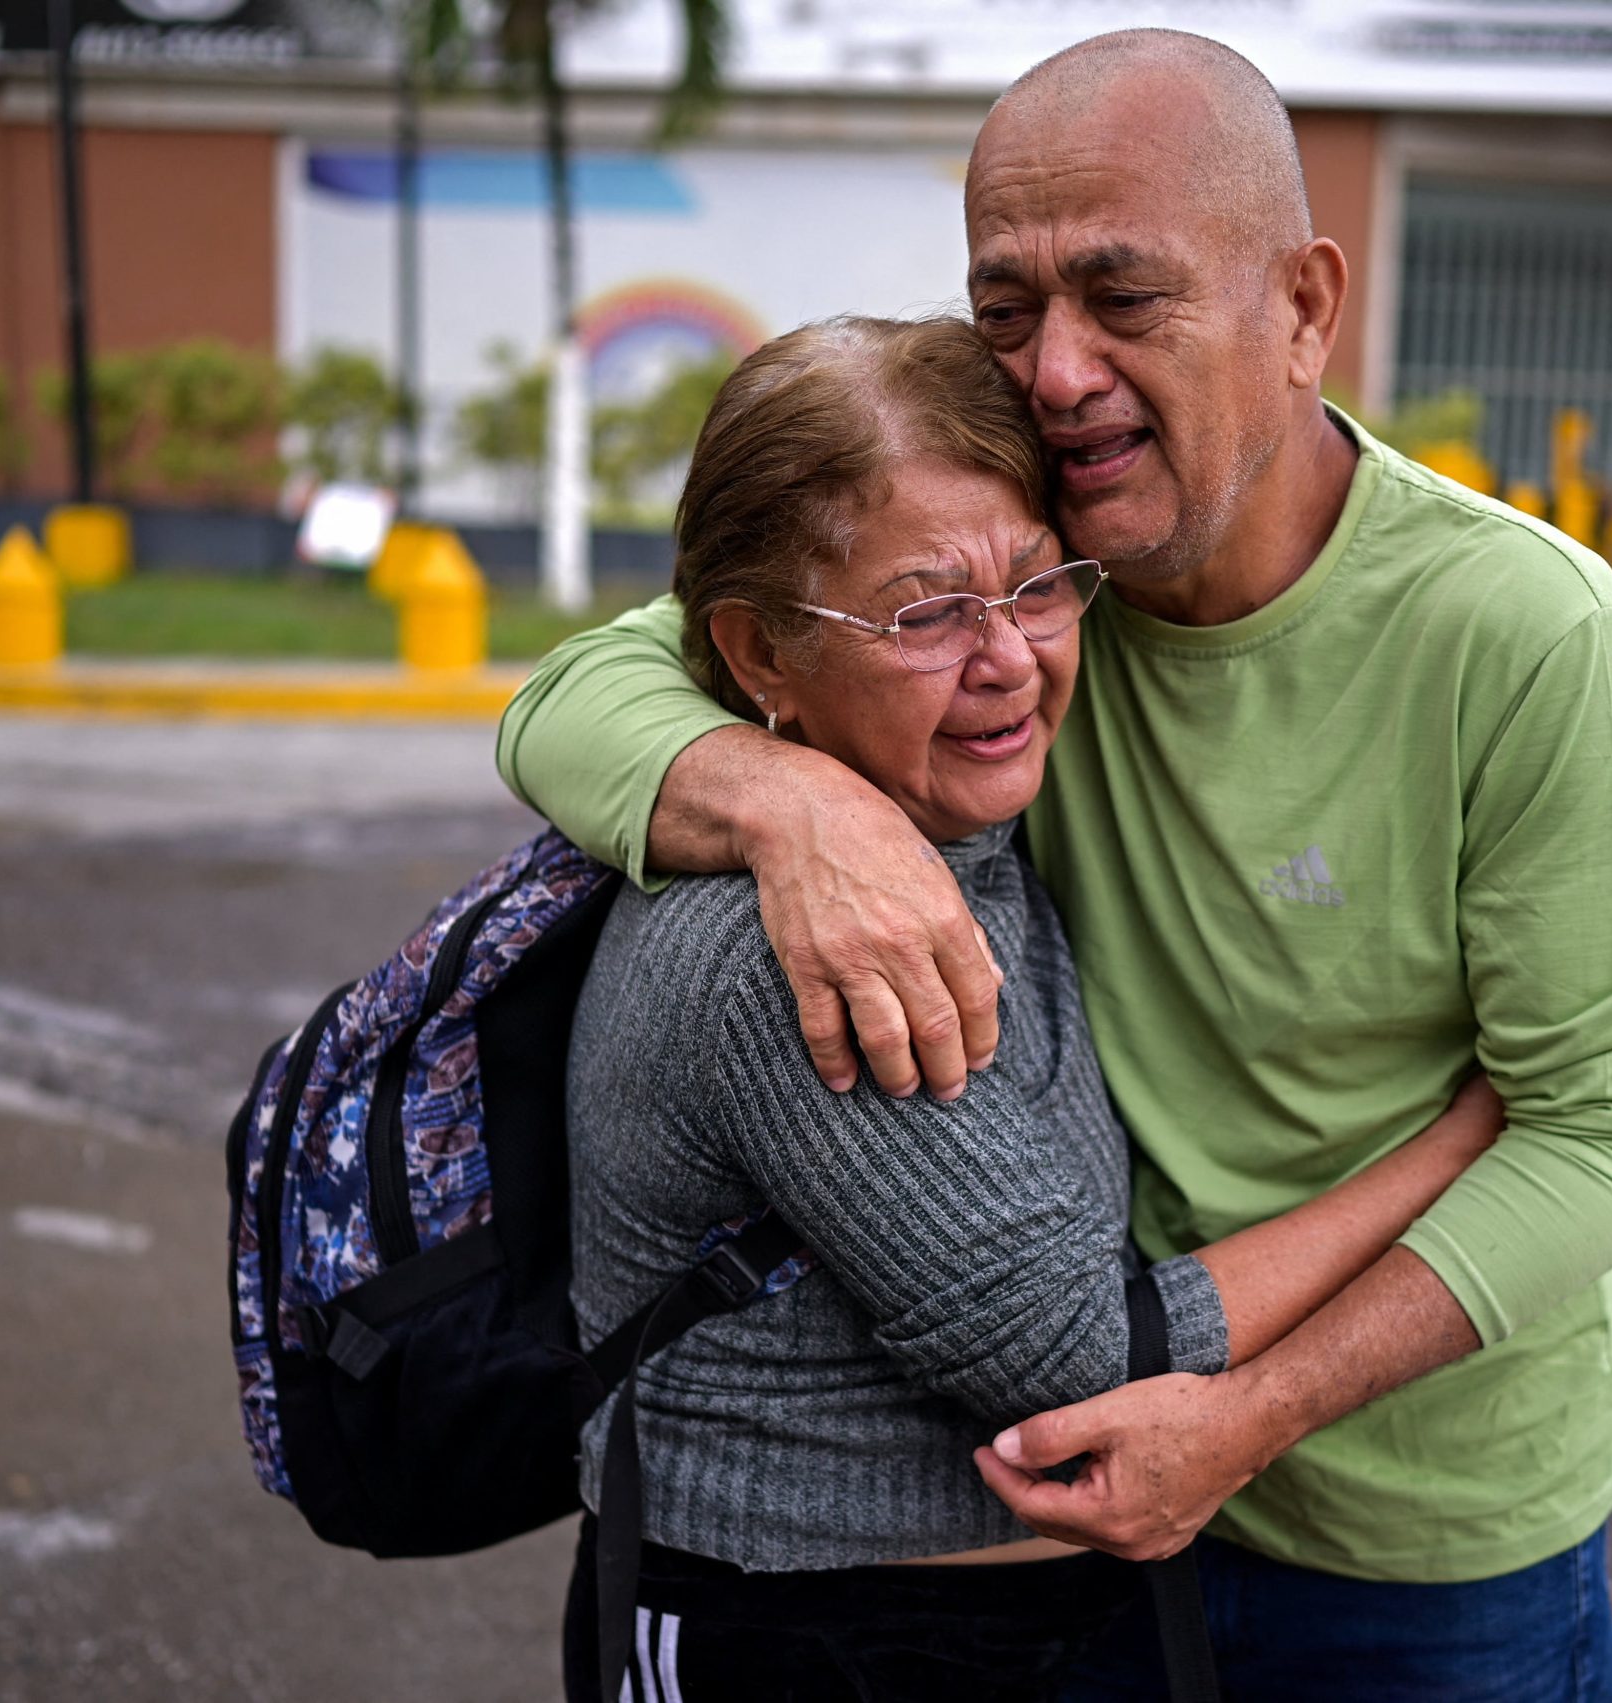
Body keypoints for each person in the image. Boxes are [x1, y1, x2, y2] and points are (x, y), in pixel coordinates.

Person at [506, 31, 1612, 1700]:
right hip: (1064, 1519)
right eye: (1008, 308)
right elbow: (577, 693)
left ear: (1302, 308)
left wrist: (1248, 1420)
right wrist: (799, 811)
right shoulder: (1029, 565)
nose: (1055, 369)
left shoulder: (1510, 628)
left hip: (1413, 1537)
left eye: (1122, 297)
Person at [560, 313, 1504, 1702]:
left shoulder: (953, 821)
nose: (1007, 658)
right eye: (925, 611)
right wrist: (1465, 1133)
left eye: (1040, 584)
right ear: (760, 654)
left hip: (985, 1630)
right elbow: (1078, 1351)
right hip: (804, 1634)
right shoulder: (798, 948)